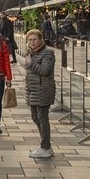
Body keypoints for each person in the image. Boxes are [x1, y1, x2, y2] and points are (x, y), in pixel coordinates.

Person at [19, 29, 56, 159]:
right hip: (33, 90)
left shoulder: (48, 53)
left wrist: (31, 63)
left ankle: (45, 147)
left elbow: (45, 70)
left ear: (40, 39)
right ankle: (45, 144)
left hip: (43, 89)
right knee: (35, 117)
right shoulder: (31, 53)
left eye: (35, 39)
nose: (32, 42)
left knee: (42, 117)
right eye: (30, 40)